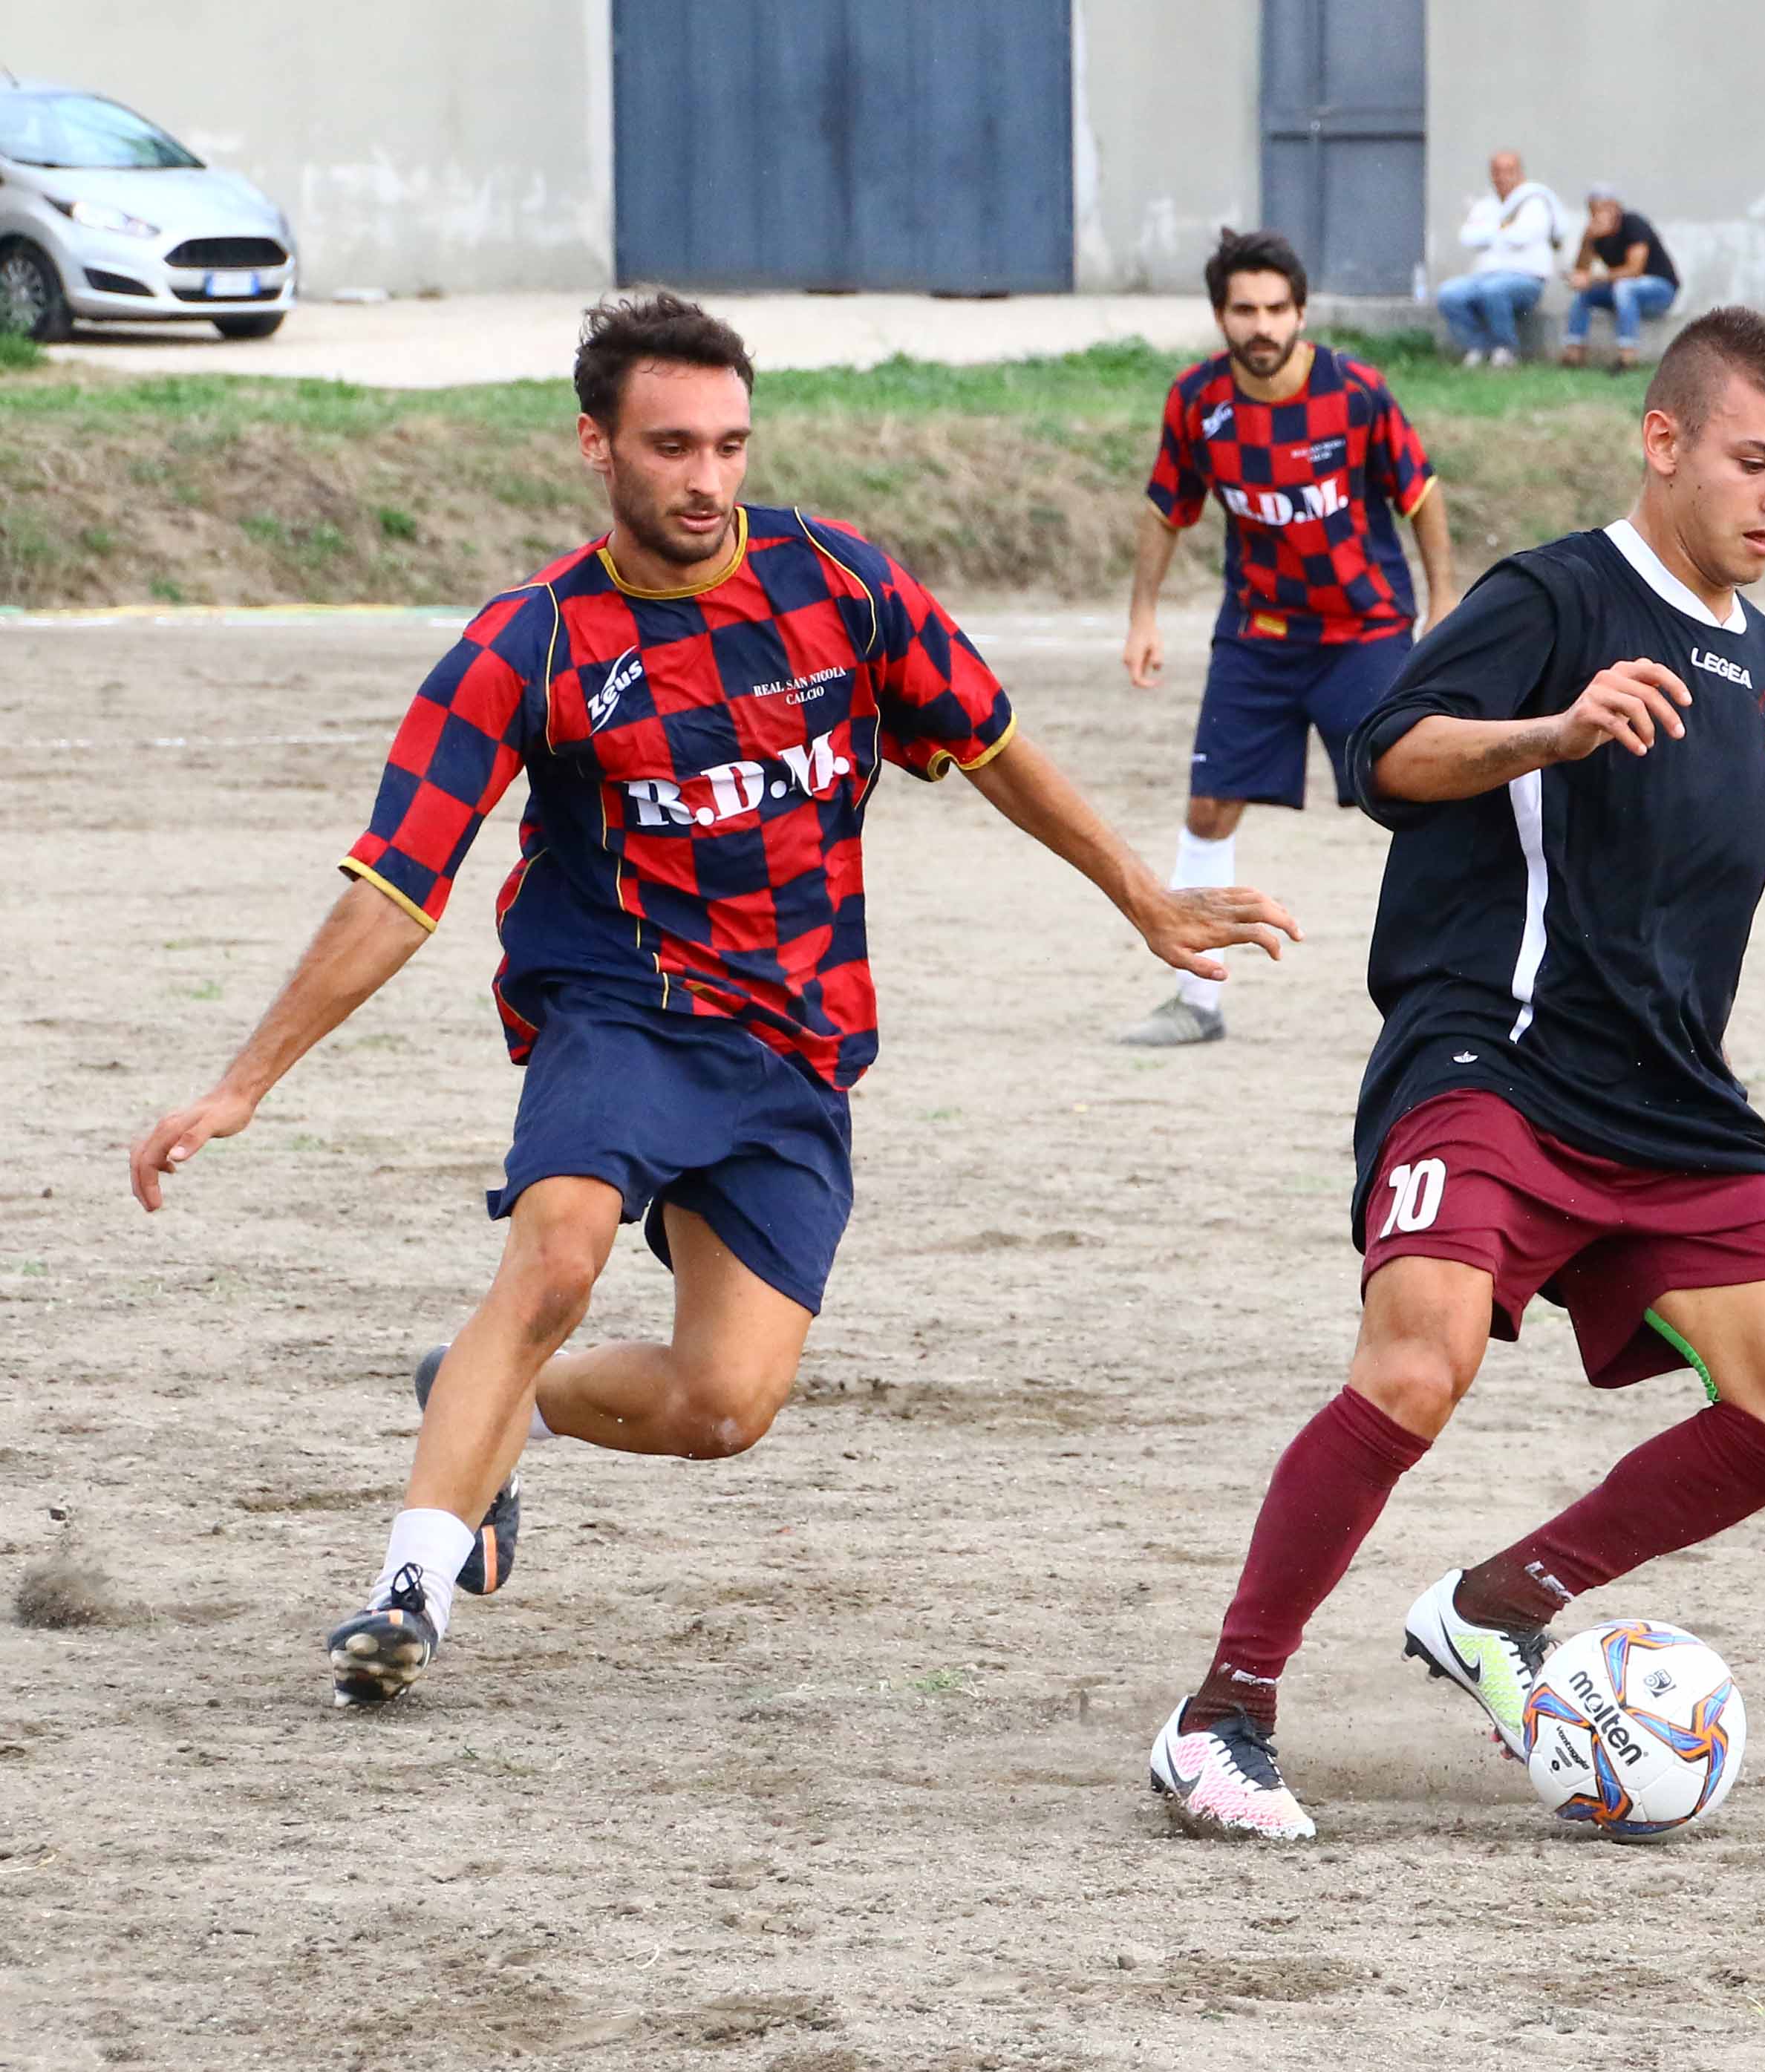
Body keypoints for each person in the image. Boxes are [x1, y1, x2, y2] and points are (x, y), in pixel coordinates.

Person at [128, 292, 1298, 1707]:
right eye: (672, 445)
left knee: (723, 1405)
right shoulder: (531, 645)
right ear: (596, 447)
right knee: (557, 1258)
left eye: (730, 444)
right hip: (621, 1005)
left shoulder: (838, 583)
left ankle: (484, 1393)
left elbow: (991, 744)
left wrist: (1140, 893)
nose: (706, 478)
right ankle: (408, 1587)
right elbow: (397, 882)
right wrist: (247, 1079)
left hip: (795, 1041)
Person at [1147, 307, 1765, 1840]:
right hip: (1496, 1055)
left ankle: (1496, 1604)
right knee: (1418, 1359)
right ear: (1663, 442)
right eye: (1754, 458)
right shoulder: (1555, 595)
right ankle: (1223, 1715)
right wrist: (1553, 727)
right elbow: (1387, 754)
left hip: (1671, 1098)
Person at [1118, 229, 1455, 1048]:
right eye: (1244, 311)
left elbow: (1421, 495)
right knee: (1208, 805)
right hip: (1258, 635)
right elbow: (1168, 507)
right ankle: (1194, 1003)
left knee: (1422, 802)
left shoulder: (1358, 395)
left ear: (1300, 312)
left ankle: (1458, 999)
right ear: (1220, 317)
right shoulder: (1198, 402)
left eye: (1276, 309)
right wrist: (1143, 614)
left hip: (1365, 630)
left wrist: (1445, 599)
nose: (1262, 326)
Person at [1435, 148, 1565, 368]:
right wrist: (1502, 229)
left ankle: (1505, 351)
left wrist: (1490, 232)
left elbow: (1522, 236)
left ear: (1520, 173)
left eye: (1509, 171)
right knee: (1449, 294)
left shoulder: (1535, 201)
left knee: (1494, 291)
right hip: (1485, 276)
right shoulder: (1485, 204)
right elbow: (1467, 237)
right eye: (1497, 171)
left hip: (1526, 279)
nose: (1502, 177)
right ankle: (1477, 347)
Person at [1562, 186, 1681, 371]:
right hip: (1624, 291)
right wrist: (1587, 241)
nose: (1596, 215)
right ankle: (1574, 353)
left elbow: (1635, 270)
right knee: (1585, 294)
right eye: (1593, 210)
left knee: (1624, 287)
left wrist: (1592, 278)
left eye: (1602, 208)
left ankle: (1627, 356)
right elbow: (1581, 271)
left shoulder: (1634, 224)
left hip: (1660, 290)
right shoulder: (1597, 234)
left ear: (1615, 208)